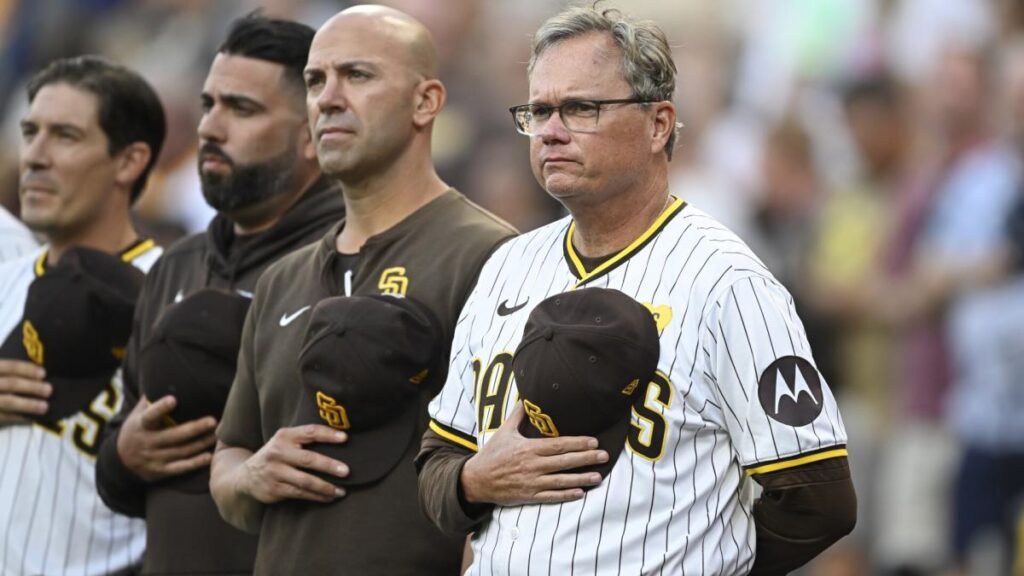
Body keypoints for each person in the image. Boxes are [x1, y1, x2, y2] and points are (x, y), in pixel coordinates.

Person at [416, 6, 856, 575]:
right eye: (539, 110)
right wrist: (473, 480)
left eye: (580, 108)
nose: (551, 130)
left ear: (658, 124)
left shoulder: (727, 282)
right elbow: (436, 463)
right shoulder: (506, 266)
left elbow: (818, 496)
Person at [208, 5, 516, 575]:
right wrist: (250, 476)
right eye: (314, 80)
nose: (327, 97)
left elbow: (516, 472)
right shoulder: (282, 277)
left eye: (357, 75)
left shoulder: (491, 257)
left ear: (426, 102)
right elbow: (228, 462)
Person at [93, 15, 344, 576]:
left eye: (242, 109)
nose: (210, 127)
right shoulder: (176, 264)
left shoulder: (348, 260)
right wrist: (126, 457)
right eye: (208, 105)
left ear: (312, 132)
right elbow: (118, 452)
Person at [0, 55, 165, 575]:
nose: (35, 157)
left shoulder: (175, 295)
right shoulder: (5, 274)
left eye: (65, 136)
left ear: (129, 161)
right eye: (30, 133)